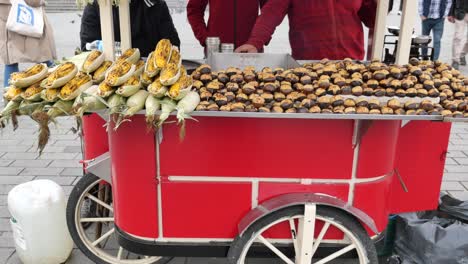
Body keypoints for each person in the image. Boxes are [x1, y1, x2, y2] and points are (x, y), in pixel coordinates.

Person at [235, 0, 377, 60]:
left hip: (351, 65)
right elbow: (272, 12)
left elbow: (371, 19)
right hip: (310, 68)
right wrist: (254, 42)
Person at [80, 0, 180, 57]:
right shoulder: (97, 5)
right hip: (106, 78)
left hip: (150, 79)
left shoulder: (155, 4)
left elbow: (172, 45)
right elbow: (88, 48)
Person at [0, 0, 56, 89]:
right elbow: (33, 1)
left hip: (6, 15)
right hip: (26, 18)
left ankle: (9, 95)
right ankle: (57, 85)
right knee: (44, 56)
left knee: (11, 61)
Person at [187, 0, 268, 51]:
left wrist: (259, 40)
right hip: (216, 53)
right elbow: (194, 10)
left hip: (251, 51)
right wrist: (205, 38)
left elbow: (270, 11)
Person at [448, 0, 468, 69]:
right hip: (460, 13)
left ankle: (462, 54)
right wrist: (450, 14)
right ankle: (455, 60)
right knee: (458, 37)